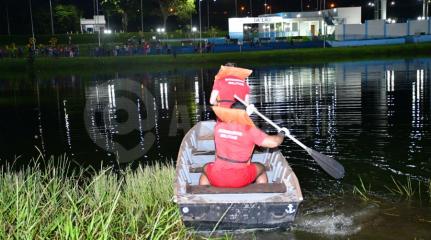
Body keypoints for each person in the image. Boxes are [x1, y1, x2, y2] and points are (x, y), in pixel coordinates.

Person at [199, 102, 289, 188]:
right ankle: (261, 195)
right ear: (245, 114)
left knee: (205, 168)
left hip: (217, 176)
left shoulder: (219, 127)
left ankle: (202, 196)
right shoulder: (250, 130)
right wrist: (282, 133)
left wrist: (245, 116)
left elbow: (231, 125)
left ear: (230, 112)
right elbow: (274, 142)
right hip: (240, 179)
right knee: (261, 168)